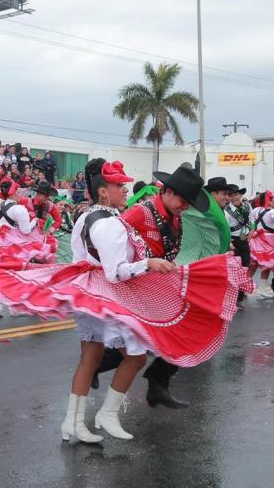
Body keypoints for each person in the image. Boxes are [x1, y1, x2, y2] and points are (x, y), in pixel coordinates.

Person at [0, 159, 252, 443]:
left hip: (91, 290)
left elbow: (87, 255)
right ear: (104, 191)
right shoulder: (111, 223)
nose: (126, 191)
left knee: (92, 359)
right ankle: (106, 414)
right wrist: (148, 263)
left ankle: (73, 422)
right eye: (119, 186)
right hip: (104, 291)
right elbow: (115, 272)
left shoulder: (92, 218)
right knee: (132, 356)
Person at [93, 164, 212, 409]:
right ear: (168, 192)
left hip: (156, 285)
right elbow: (110, 242)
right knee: (141, 341)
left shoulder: (176, 217)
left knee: (181, 328)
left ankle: (158, 383)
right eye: (184, 200)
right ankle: (95, 366)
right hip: (134, 286)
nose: (186, 207)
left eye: (189, 203)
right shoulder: (140, 213)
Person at [225, 186, 252, 305]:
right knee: (235, 270)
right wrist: (229, 242)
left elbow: (252, 221)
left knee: (245, 268)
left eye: (236, 195)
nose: (235, 197)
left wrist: (251, 232)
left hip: (245, 240)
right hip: (233, 242)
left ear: (241, 195)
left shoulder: (247, 206)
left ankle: (240, 297)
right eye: (232, 195)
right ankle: (234, 296)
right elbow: (225, 228)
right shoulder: (226, 211)